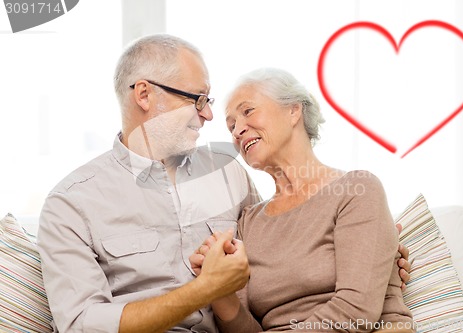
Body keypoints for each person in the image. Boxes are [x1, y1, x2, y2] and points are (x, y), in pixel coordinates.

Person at [37, 34, 410, 333]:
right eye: (197, 99)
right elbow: (82, 324)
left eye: (213, 102)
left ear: (295, 110)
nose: (210, 116)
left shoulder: (227, 172)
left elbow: (291, 243)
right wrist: (205, 291)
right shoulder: (73, 203)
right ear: (145, 94)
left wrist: (377, 248)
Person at [190, 68, 416, 332]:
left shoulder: (357, 189)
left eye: (248, 111)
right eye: (231, 126)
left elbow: (356, 310)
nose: (238, 130)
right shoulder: (249, 223)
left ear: (293, 110)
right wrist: (218, 291)